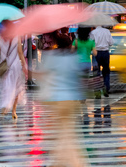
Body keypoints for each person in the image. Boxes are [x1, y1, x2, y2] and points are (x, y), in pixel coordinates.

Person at [35, 32, 89, 167]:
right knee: (68, 132)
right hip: (70, 100)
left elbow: (43, 74)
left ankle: (64, 161)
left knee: (64, 132)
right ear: (70, 45)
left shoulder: (52, 57)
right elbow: (80, 77)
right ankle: (71, 161)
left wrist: (28, 71)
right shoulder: (74, 58)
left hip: (56, 100)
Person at [0, 20, 27, 119]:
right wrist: (24, 65)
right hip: (16, 66)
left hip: (5, 67)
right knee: (17, 89)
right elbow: (20, 52)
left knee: (7, 87)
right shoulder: (16, 37)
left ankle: (5, 107)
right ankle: (13, 111)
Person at [72, 27, 99, 98]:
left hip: (78, 63)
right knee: (86, 81)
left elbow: (71, 51)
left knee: (79, 80)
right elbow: (95, 53)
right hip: (87, 63)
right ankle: (83, 96)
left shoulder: (76, 41)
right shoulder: (91, 42)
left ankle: (80, 95)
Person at [90, 26, 114, 96]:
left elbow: (91, 43)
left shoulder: (93, 32)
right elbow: (111, 43)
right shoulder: (107, 31)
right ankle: (106, 88)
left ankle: (97, 91)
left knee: (96, 72)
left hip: (96, 53)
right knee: (106, 71)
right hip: (105, 53)